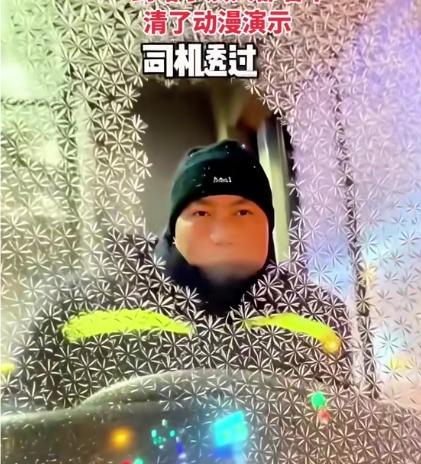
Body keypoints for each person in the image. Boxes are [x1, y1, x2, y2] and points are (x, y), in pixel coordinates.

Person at [1, 140, 353, 414]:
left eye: (243, 213)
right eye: (201, 213)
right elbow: (23, 424)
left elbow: (333, 423)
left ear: (269, 226)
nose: (221, 233)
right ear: (173, 226)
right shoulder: (75, 311)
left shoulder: (319, 316)